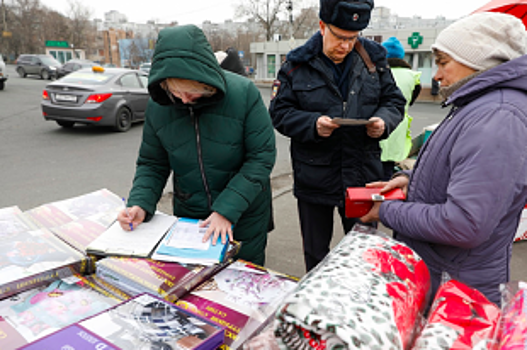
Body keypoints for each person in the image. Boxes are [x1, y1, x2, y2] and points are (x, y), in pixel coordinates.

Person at [360, 12, 527, 306]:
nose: (435, 75)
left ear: (479, 61)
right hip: (445, 279)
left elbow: (464, 223)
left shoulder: (498, 117)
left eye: (442, 62)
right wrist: (408, 180)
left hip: (457, 292)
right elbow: (456, 170)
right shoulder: (480, 105)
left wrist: (385, 211)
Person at [117, 25, 276, 266]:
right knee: (195, 289)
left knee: (243, 285)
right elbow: (152, 163)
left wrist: (226, 211)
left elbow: (261, 157)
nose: (184, 100)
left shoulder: (243, 93)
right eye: (176, 92)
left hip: (244, 215)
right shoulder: (159, 107)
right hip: (191, 218)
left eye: (192, 92)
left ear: (205, 79)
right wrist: (140, 203)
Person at [268, 0, 406, 272]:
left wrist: (383, 121)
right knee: (316, 254)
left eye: (353, 38)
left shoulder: (374, 60)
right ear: (322, 27)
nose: (345, 45)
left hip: (362, 178)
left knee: (364, 255)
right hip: (314, 179)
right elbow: (280, 112)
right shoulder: (297, 63)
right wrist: (312, 124)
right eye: (339, 37)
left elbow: (393, 101)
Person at [379, 36, 422, 180]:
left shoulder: (376, 73)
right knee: (388, 170)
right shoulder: (412, 76)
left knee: (371, 170)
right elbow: (410, 101)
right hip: (398, 127)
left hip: (376, 125)